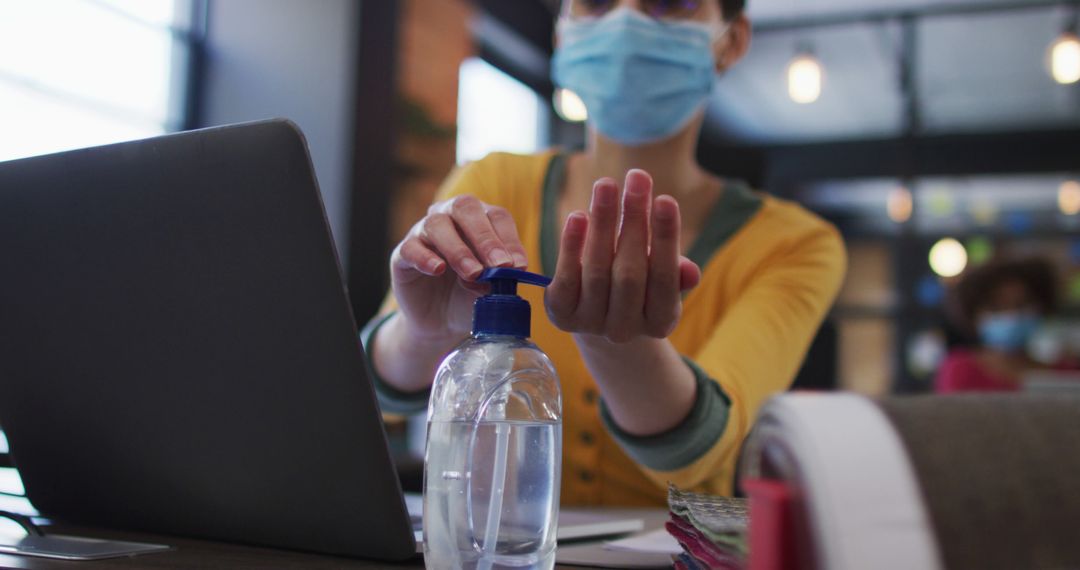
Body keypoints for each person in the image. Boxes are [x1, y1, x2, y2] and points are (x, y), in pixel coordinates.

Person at [361, 0, 847, 506]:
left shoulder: (794, 245)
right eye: (594, 2)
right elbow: (376, 397)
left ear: (732, 40)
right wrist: (425, 335)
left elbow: (705, 450)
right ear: (562, 32)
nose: (625, 23)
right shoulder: (492, 184)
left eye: (668, 3)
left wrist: (621, 346)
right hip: (494, 549)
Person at [936, 257, 1065, 393]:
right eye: (996, 308)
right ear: (974, 315)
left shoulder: (1066, 373)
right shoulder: (960, 370)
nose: (1011, 316)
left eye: (1022, 305)